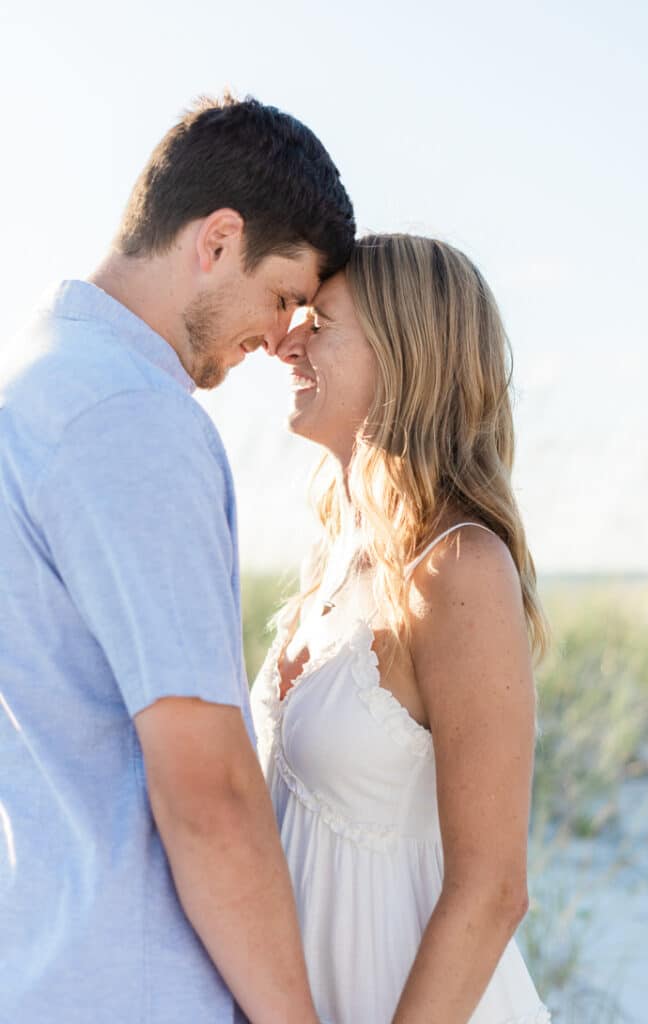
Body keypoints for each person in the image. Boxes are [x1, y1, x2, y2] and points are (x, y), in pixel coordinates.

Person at [0, 90, 354, 1023]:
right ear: (217, 238)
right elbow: (207, 786)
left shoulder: (31, 385)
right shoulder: (131, 418)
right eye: (283, 296)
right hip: (137, 984)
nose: (282, 337)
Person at [250, 234, 553, 1023]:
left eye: (321, 325)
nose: (285, 341)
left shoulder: (460, 568)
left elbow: (491, 891)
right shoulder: (337, 557)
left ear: (405, 356)